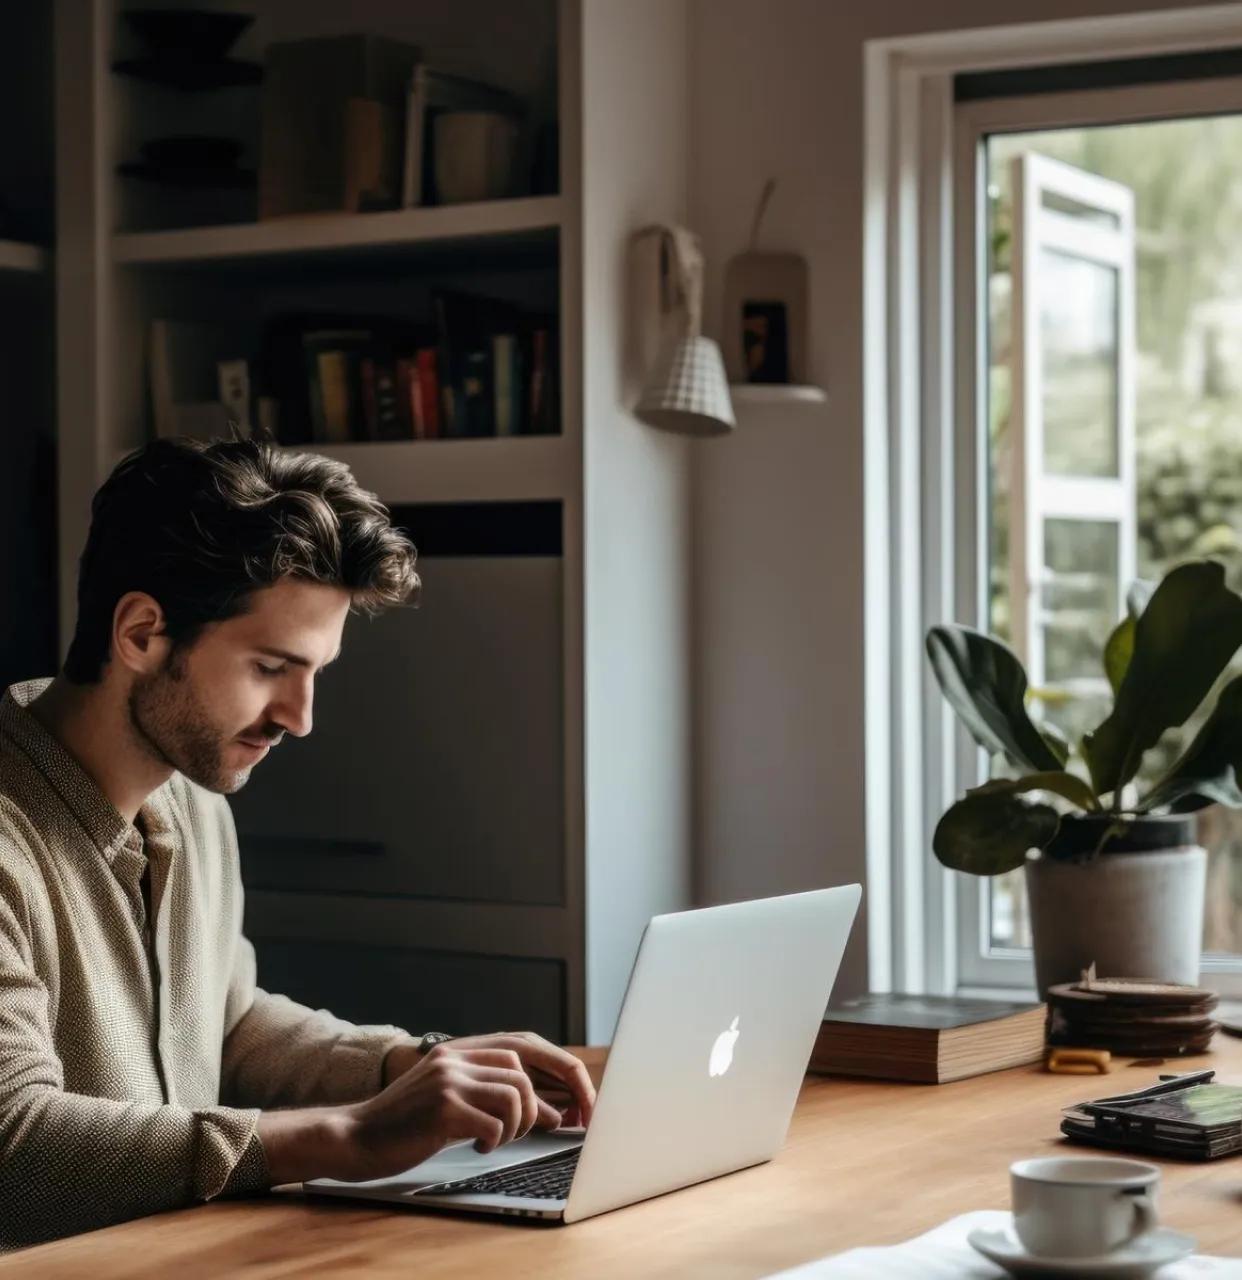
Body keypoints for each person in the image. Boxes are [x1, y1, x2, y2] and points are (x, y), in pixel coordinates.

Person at [0, 438, 595, 1252]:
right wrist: (349, 1138)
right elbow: (13, 1146)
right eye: (270, 666)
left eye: (315, 670)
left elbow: (226, 1022)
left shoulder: (190, 793)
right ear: (141, 633)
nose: (300, 717)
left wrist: (411, 1067)